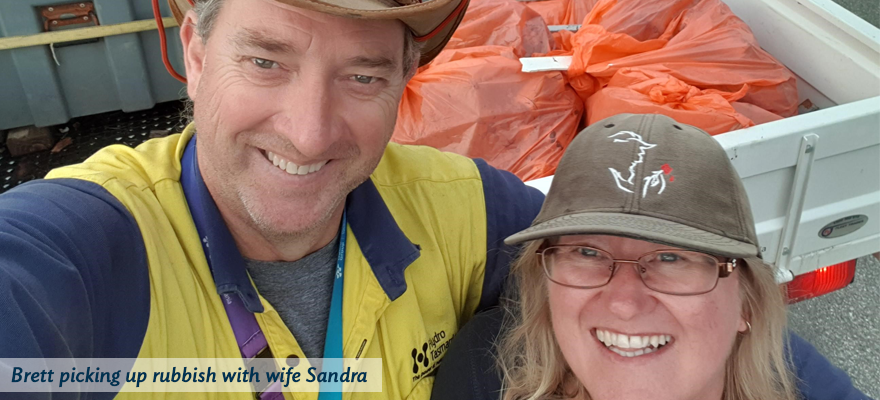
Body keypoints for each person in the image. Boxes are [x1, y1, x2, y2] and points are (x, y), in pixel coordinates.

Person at [0, 0, 860, 396]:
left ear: (411, 80)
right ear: (191, 45)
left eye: (363, 75)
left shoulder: (464, 209)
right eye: (265, 60)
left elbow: (675, 305)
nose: (308, 132)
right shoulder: (85, 252)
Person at [431, 113, 869, 400]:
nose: (624, 301)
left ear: (747, 302)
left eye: (672, 259)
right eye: (587, 252)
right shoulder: (483, 375)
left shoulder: (810, 386)